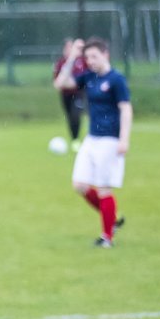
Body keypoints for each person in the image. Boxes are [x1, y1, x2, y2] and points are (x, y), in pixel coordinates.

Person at [53, 36, 131, 248]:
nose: (90, 61)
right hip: (92, 138)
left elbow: (125, 109)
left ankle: (107, 238)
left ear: (106, 55)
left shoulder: (116, 79)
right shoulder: (88, 77)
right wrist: (72, 59)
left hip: (110, 139)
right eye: (87, 58)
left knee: (104, 188)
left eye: (94, 57)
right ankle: (111, 219)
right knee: (79, 185)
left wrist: (124, 139)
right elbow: (60, 84)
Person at [53, 38, 88, 148]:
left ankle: (76, 140)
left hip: (78, 93)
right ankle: (74, 139)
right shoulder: (61, 63)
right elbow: (57, 83)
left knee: (75, 115)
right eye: (68, 47)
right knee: (69, 117)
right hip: (65, 94)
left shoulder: (83, 61)